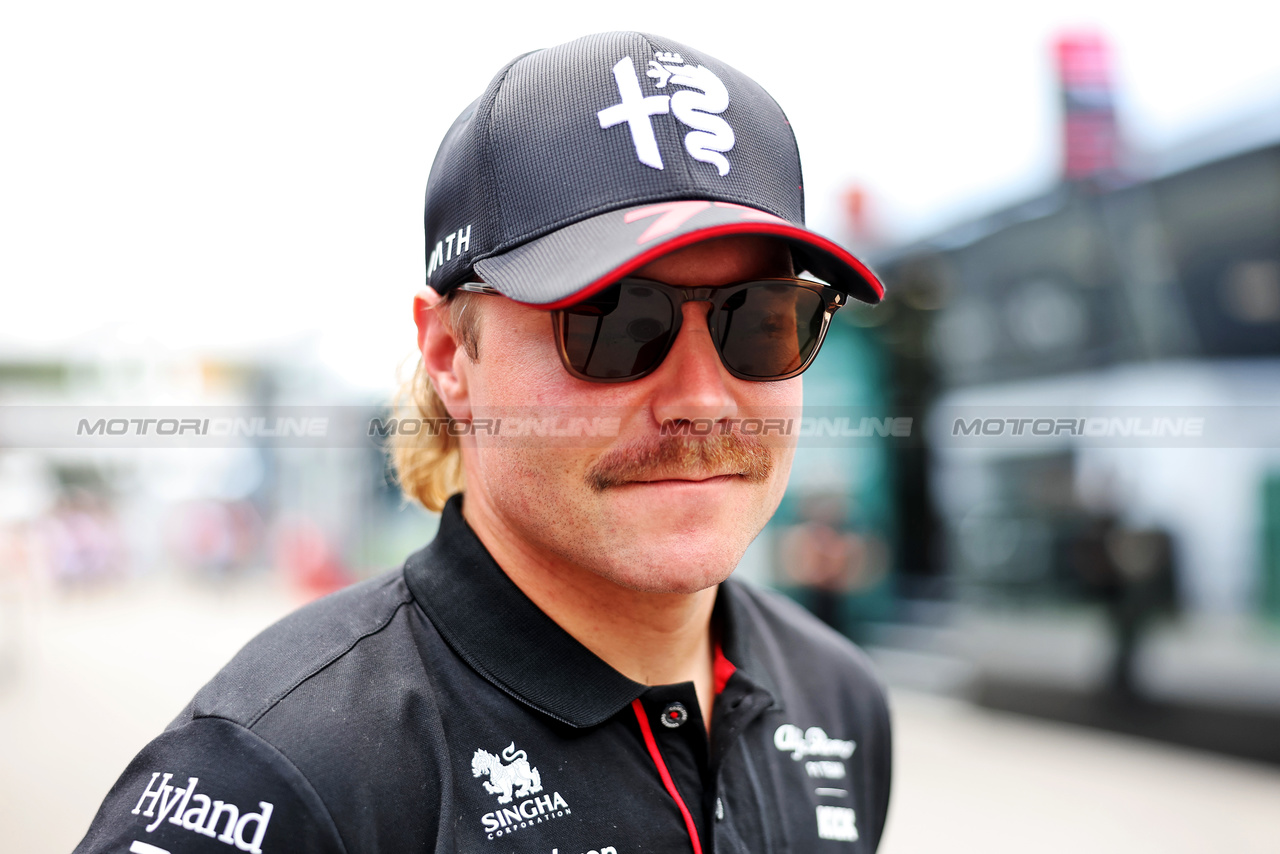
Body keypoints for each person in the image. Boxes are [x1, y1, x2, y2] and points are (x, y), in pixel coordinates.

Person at [75, 31, 892, 854]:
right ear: (449, 355)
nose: (702, 400)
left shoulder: (837, 698)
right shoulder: (276, 775)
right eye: (612, 320)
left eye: (758, 321)